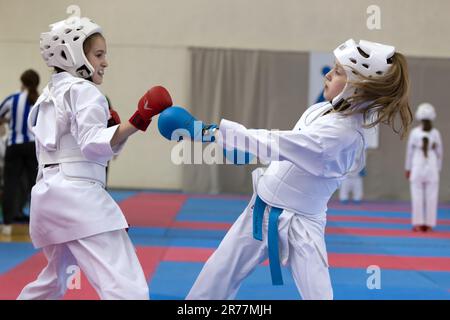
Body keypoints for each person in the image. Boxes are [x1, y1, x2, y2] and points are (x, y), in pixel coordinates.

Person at [158, 39, 412, 299]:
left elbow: (277, 143)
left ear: (357, 89)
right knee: (214, 278)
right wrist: (245, 150)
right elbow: (291, 152)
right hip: (260, 209)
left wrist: (212, 132)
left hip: (301, 225)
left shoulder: (343, 134)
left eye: (337, 72)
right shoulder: (323, 110)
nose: (328, 74)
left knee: (319, 296)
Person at [17, 15, 172, 299]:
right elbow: (91, 144)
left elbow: (75, 145)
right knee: (128, 287)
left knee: (52, 282)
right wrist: (139, 119)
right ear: (76, 55)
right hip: (79, 198)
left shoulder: (48, 95)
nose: (105, 62)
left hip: (48, 197)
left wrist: (113, 130)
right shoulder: (85, 91)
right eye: (99, 55)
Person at [0, 69, 40, 236]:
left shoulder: (13, 98)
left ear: (21, 81)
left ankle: (7, 224)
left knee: (10, 184)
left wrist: (8, 121)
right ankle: (37, 223)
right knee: (35, 185)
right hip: (32, 146)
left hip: (14, 146)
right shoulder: (39, 100)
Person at [405, 103, 442, 232]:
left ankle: (418, 224)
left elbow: (409, 152)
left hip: (417, 166)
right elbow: (439, 154)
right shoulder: (435, 133)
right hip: (431, 167)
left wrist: (408, 168)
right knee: (432, 196)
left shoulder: (415, 133)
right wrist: (438, 169)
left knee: (417, 196)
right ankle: (429, 224)